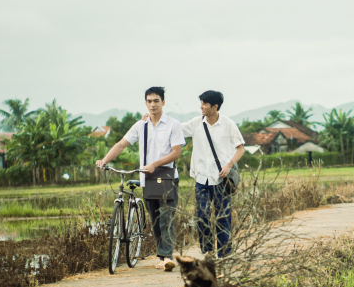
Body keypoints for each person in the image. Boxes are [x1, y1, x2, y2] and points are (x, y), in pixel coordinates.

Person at [96, 87, 185, 271]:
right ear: (146, 103)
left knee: (166, 218)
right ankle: (163, 257)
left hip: (167, 178)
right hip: (148, 180)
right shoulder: (141, 125)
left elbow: (176, 153)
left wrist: (155, 164)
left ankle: (167, 257)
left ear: (163, 102)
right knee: (155, 219)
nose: (153, 104)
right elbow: (121, 144)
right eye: (149, 101)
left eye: (156, 101)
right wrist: (104, 160)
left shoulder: (173, 124)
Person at [179, 90, 245, 257]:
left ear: (215, 106)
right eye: (200, 103)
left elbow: (240, 148)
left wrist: (229, 165)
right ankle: (208, 250)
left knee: (223, 217)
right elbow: (174, 129)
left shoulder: (228, 124)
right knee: (202, 215)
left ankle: (224, 254)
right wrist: (151, 119)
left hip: (221, 179)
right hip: (201, 178)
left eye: (204, 104)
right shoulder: (195, 123)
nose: (201, 107)